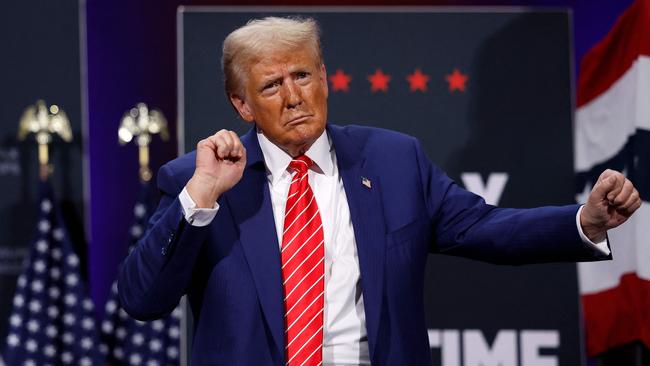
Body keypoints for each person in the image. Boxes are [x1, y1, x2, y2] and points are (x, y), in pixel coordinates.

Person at [118, 16, 641, 366]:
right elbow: (143, 299)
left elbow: (484, 227)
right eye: (272, 86)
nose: (294, 96)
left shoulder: (392, 161)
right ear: (242, 105)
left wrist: (586, 222)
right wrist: (201, 195)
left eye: (302, 75)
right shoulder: (202, 179)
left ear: (325, 77)